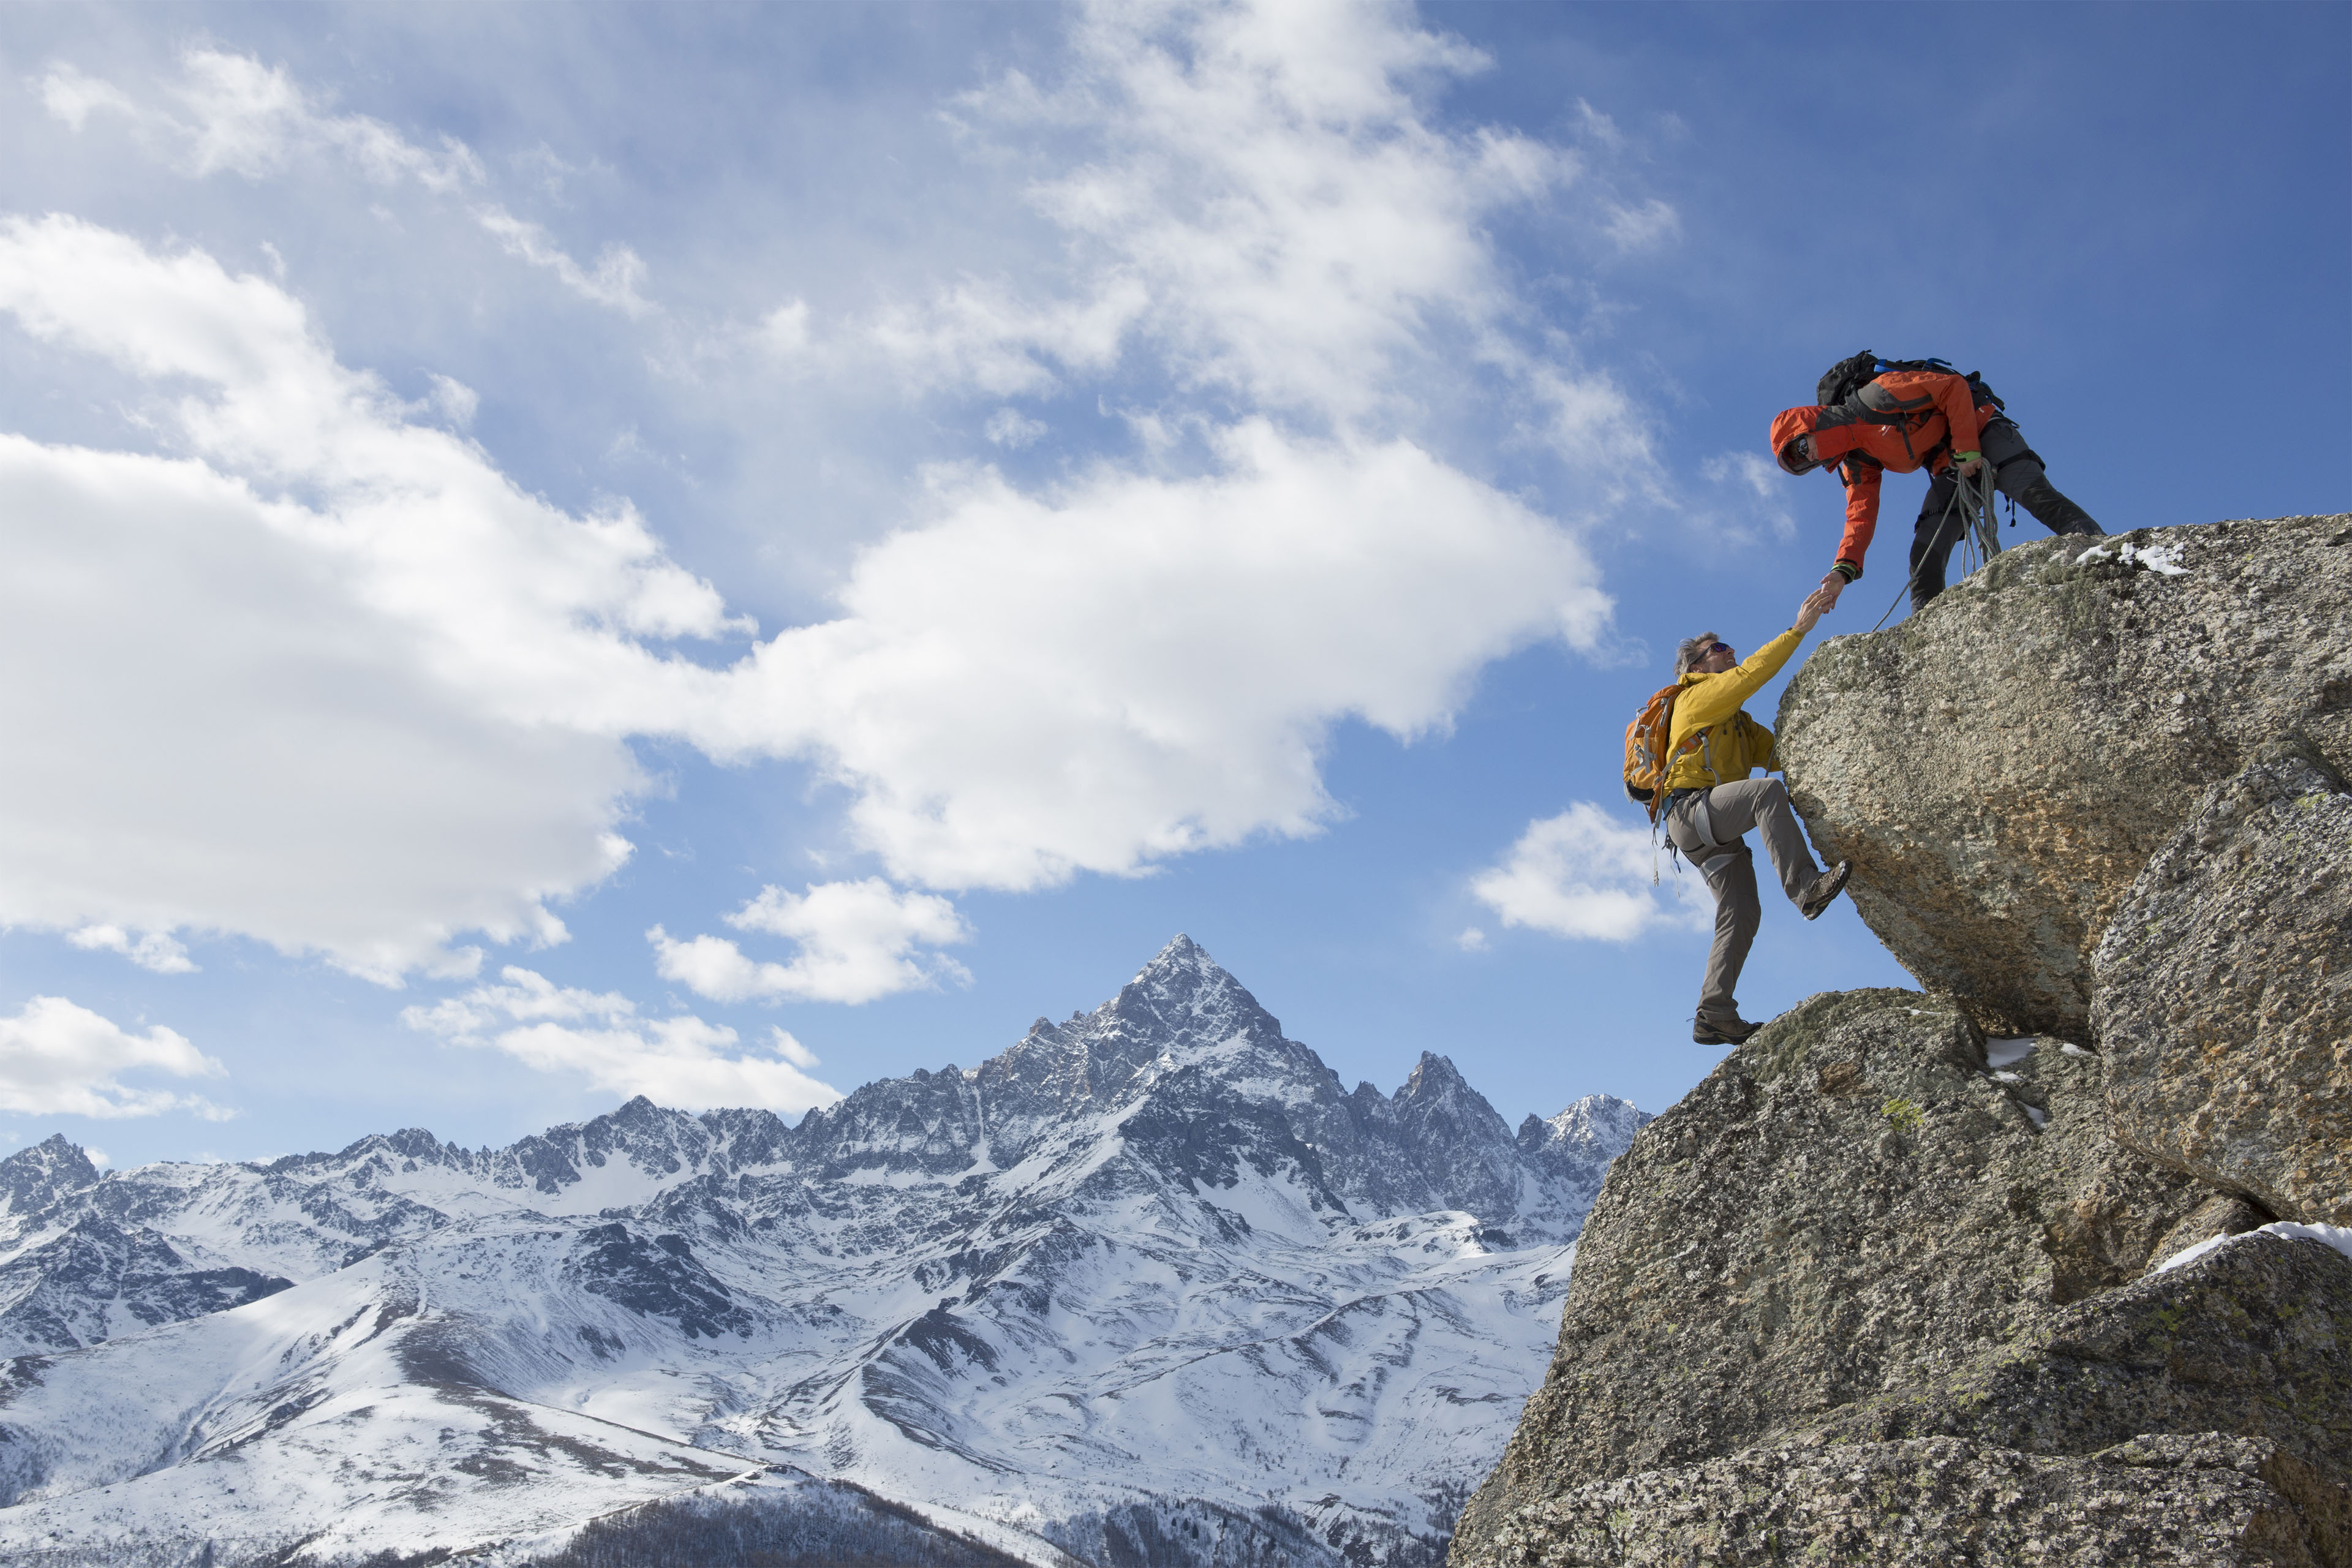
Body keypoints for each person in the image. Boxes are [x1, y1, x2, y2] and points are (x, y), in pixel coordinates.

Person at [1663, 591, 1851, 1046]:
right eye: (1717, 649)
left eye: (1726, 645)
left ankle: (1714, 1015)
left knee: (1741, 911)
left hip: (1708, 828)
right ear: (1697, 668)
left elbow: (1784, 755)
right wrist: (1799, 629)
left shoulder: (1739, 724)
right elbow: (1751, 676)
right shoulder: (1697, 698)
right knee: (1766, 793)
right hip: (1692, 812)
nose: (1729, 650)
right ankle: (1806, 888)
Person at [1769, 362, 2102, 616]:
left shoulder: (1876, 397)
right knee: (1925, 550)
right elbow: (1860, 515)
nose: (1808, 458)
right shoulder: (1856, 462)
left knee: (2034, 495)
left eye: (1800, 449)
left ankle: (2104, 556)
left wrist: (1968, 447)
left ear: (1807, 426)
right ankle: (1928, 630)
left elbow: (1951, 388)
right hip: (1950, 464)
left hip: (1981, 428)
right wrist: (1843, 570)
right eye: (1802, 464)